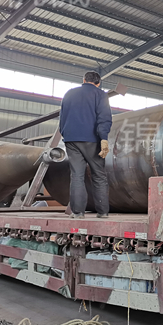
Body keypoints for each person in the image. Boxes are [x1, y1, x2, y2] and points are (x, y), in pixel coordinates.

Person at [59, 71, 112, 219]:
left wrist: (66, 134)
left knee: (77, 176)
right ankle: (102, 212)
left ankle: (78, 212)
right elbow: (104, 118)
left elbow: (62, 118)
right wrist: (103, 138)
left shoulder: (69, 93)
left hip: (71, 139)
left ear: (83, 80)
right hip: (92, 140)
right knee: (99, 175)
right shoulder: (100, 95)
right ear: (98, 83)